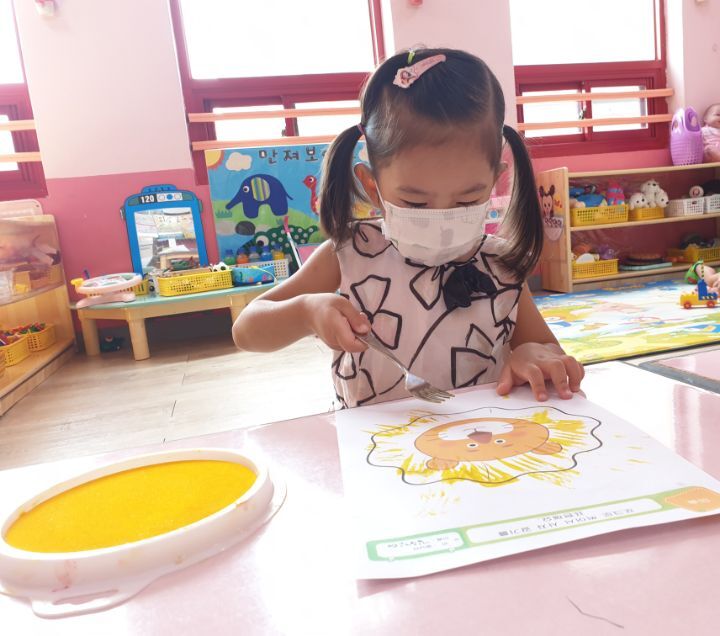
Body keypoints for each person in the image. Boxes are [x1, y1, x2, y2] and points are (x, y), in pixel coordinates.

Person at [232, 48, 584, 408]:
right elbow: (246, 329)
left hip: (480, 432)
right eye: (415, 203)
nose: (442, 220)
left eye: (467, 200)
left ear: (495, 181)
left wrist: (531, 354)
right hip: (371, 438)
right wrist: (305, 311)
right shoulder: (351, 254)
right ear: (373, 187)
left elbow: (545, 348)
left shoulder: (499, 265)